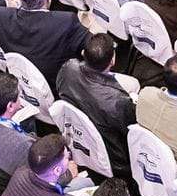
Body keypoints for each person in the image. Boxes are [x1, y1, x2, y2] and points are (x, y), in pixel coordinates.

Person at [56, 34, 136, 176]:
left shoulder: (68, 69)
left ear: (83, 54)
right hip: (113, 159)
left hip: (79, 140)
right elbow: (131, 132)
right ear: (113, 60)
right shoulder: (118, 101)